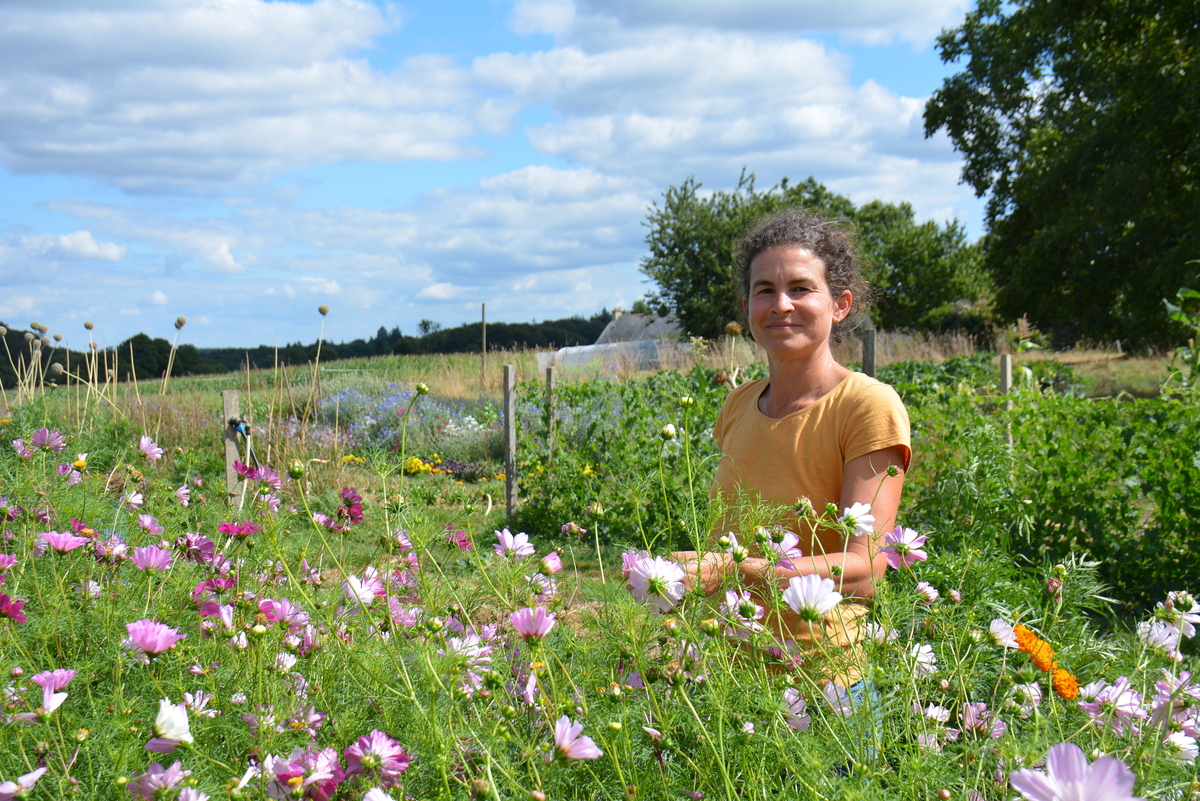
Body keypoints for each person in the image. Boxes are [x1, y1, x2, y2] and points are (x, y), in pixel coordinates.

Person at [673, 208, 910, 688]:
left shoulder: (866, 406)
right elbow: (729, 532)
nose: (781, 304)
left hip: (823, 681)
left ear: (840, 304)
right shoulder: (739, 404)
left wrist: (734, 570)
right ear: (747, 308)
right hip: (731, 682)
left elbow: (865, 569)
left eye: (800, 288)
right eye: (765, 291)